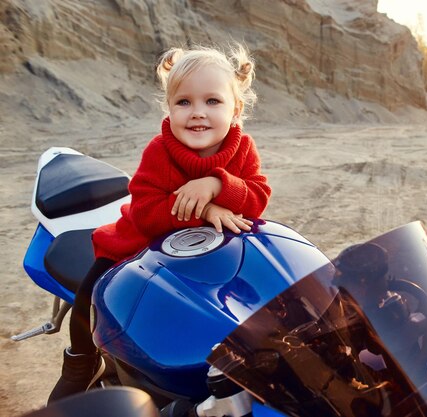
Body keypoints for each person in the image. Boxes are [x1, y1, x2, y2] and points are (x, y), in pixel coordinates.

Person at [48, 43, 272, 403]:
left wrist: (217, 184)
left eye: (212, 101)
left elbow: (258, 196)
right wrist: (209, 210)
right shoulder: (159, 151)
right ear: (169, 108)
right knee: (91, 291)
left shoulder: (243, 147)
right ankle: (81, 360)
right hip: (136, 243)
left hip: (202, 249)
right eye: (184, 102)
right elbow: (148, 213)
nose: (197, 113)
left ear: (236, 109)